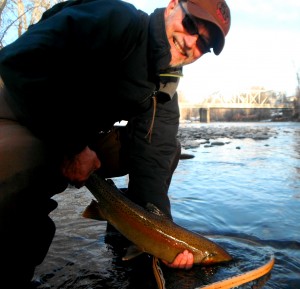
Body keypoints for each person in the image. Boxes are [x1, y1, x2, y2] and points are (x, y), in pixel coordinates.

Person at [0, 0, 231, 287]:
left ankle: (123, 225)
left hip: (79, 136)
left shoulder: (165, 82)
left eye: (204, 45)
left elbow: (153, 157)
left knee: (168, 151)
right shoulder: (117, 20)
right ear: (173, 7)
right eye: (191, 25)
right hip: (19, 107)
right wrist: (72, 147)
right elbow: (19, 63)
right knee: (16, 170)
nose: (190, 43)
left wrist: (161, 239)